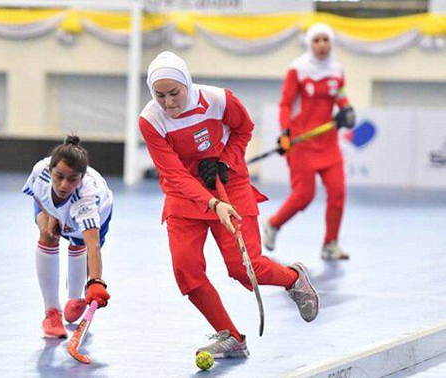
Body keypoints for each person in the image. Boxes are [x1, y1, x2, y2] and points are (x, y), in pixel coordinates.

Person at [139, 51, 320, 359]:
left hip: (229, 184)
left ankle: (293, 278)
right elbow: (174, 173)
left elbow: (243, 129)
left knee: (245, 268)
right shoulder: (151, 120)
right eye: (160, 95)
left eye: (174, 93)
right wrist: (212, 202)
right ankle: (232, 337)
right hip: (184, 195)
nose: (168, 102)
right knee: (186, 271)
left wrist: (225, 160)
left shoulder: (219, 100)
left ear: (187, 83)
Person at [262, 23, 356, 261]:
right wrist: (284, 133)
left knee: (338, 192)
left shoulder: (337, 69)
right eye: (317, 40)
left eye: (326, 40)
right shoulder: (298, 69)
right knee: (304, 195)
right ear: (310, 43)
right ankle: (273, 224)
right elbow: (285, 104)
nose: (322, 45)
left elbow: (342, 97)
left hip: (329, 143)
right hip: (300, 143)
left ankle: (330, 245)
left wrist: (347, 111)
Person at [22, 136, 112, 338]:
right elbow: (37, 195)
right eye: (59, 176)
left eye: (72, 179)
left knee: (79, 244)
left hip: (100, 212)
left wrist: (96, 282)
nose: (63, 185)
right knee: (47, 233)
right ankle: (51, 312)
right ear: (50, 170)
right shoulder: (40, 172)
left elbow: (93, 246)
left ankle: (76, 297)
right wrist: (52, 214)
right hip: (50, 207)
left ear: (81, 178)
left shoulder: (87, 199)